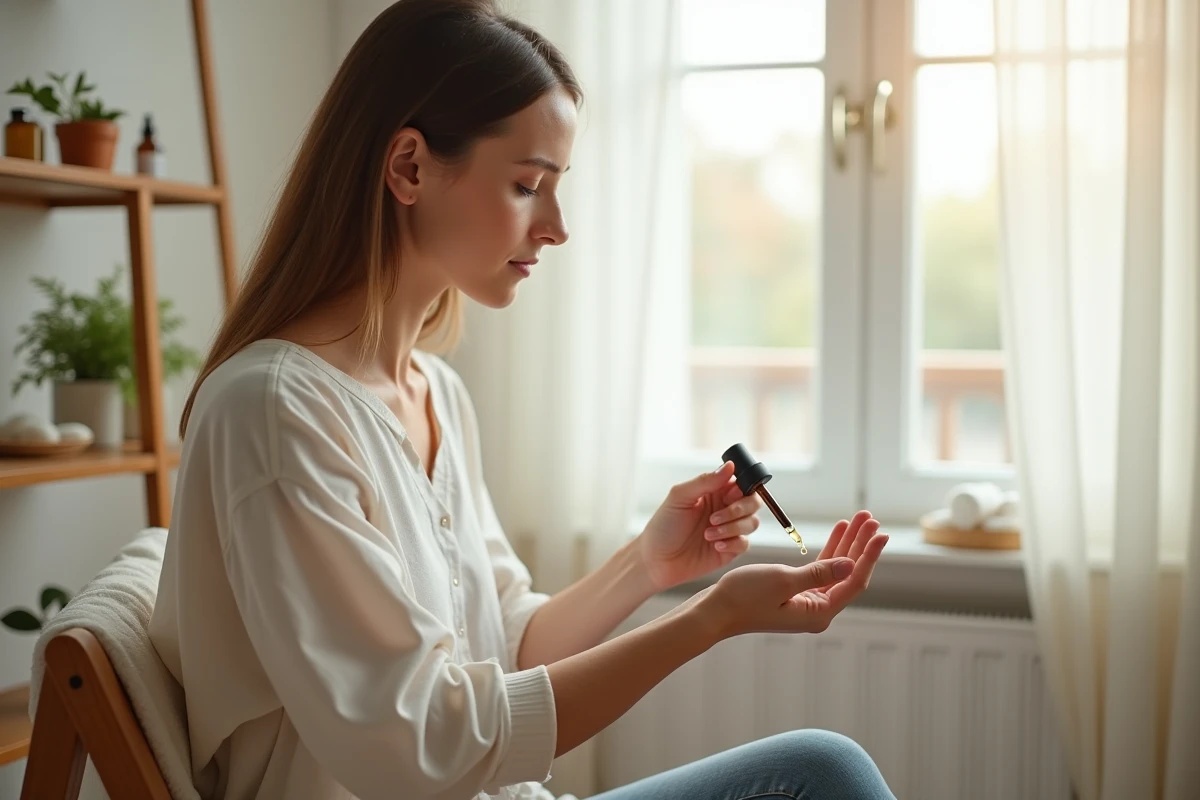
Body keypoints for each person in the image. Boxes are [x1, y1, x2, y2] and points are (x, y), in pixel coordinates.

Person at [148, 1, 895, 798]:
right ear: (408, 168)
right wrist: (709, 619)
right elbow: (421, 747)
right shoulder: (273, 414)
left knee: (822, 769)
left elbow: (508, 642)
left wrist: (649, 566)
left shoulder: (434, 393)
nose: (557, 226)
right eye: (528, 185)